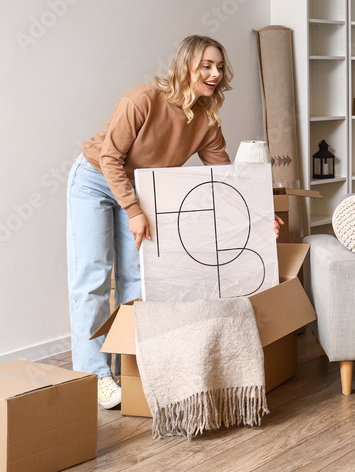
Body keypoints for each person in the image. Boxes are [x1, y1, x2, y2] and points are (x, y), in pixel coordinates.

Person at [68, 35, 241, 409]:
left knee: (139, 279)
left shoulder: (207, 120)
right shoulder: (142, 99)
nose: (214, 73)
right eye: (206, 65)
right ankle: (93, 375)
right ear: (186, 66)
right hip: (96, 180)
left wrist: (257, 219)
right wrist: (132, 211)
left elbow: (223, 179)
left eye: (220, 66)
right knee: (94, 276)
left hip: (141, 190)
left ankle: (131, 365)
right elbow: (112, 158)